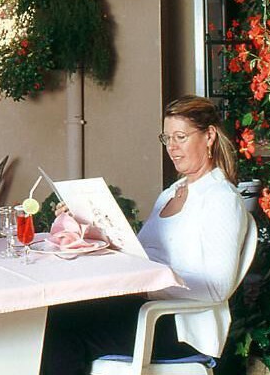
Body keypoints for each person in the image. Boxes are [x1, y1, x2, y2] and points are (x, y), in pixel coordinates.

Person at [40, 95, 249, 374]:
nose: (172, 148)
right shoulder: (170, 195)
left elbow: (218, 288)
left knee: (67, 325)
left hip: (182, 327)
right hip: (149, 307)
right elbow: (141, 256)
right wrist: (89, 225)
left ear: (209, 136)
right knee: (60, 311)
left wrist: (149, 285)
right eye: (167, 138)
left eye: (181, 137)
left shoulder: (221, 199)